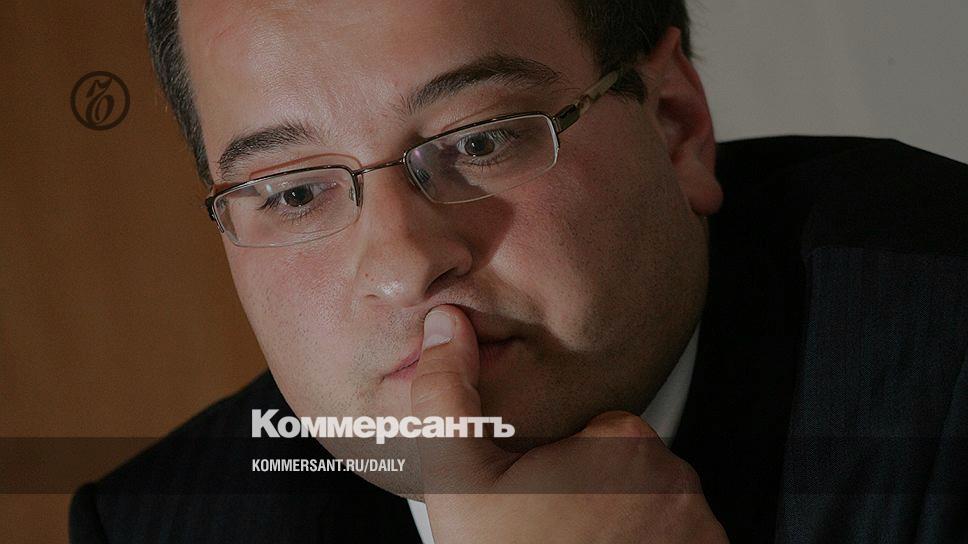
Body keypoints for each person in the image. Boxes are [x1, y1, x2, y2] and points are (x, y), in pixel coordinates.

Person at [69, 1, 968, 542]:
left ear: (675, 125)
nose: (404, 266)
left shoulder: (945, 346)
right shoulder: (165, 525)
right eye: (295, 193)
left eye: (479, 141)